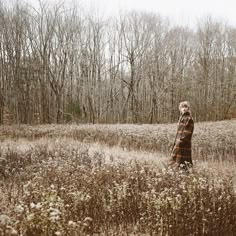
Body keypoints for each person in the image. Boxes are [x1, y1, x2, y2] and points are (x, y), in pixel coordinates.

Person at [170, 101, 194, 170]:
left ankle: (185, 177)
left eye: (185, 107)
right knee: (175, 163)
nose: (184, 108)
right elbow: (178, 133)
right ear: (180, 109)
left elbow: (187, 133)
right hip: (178, 144)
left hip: (184, 145)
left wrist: (180, 142)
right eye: (182, 107)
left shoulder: (189, 119)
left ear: (188, 108)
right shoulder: (181, 118)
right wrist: (176, 143)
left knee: (183, 164)